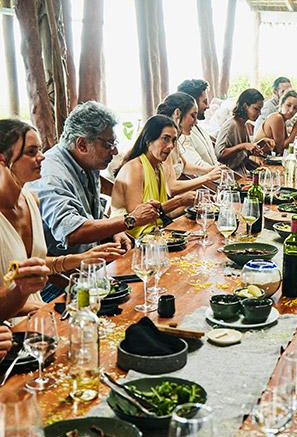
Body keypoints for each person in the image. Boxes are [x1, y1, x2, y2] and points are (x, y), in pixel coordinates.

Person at [0, 119, 125, 313]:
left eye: (40, 150)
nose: (42, 157)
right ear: (2, 159)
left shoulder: (32, 200)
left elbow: (36, 264)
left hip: (39, 313)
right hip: (11, 328)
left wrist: (82, 258)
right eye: (31, 152)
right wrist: (29, 305)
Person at [28, 101, 160, 256]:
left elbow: (92, 216)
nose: (115, 151)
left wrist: (115, 231)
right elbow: (71, 232)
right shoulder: (51, 175)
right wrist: (129, 220)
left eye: (114, 142)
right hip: (66, 276)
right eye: (108, 144)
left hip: (93, 261)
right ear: (82, 144)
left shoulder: (88, 163)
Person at [111, 115, 196, 238]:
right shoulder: (135, 167)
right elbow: (138, 215)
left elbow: (162, 213)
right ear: (149, 140)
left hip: (156, 232)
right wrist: (180, 201)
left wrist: (191, 204)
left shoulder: (158, 166)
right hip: (134, 239)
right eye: (165, 139)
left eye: (173, 140)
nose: (171, 146)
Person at [215, 89, 273, 172]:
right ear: (245, 106)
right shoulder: (232, 125)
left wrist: (260, 143)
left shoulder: (244, 124)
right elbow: (219, 154)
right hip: (228, 176)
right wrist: (243, 146)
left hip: (241, 172)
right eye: (256, 109)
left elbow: (244, 153)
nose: (259, 113)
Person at [176, 79, 218, 167]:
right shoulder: (182, 135)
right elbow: (196, 166)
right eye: (205, 102)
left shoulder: (198, 128)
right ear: (192, 101)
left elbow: (213, 161)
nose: (208, 106)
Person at [257, 90, 297, 155]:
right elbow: (280, 150)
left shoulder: (283, 120)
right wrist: (296, 127)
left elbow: (287, 147)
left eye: (295, 108)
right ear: (281, 104)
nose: (291, 110)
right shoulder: (277, 118)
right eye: (288, 105)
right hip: (258, 160)